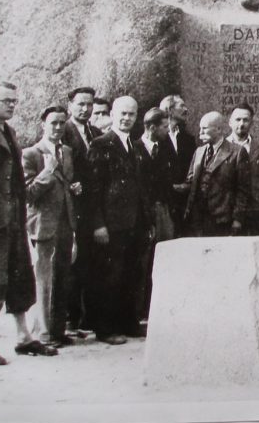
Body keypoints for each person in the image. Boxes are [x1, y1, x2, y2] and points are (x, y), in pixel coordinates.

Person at [0, 81, 55, 364]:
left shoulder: (9, 131)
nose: (11, 105)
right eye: (6, 100)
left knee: (21, 277)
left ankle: (23, 337)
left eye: (14, 101)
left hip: (13, 220)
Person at [86, 96, 152, 344]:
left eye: (131, 115)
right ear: (112, 114)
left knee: (131, 274)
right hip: (110, 224)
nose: (126, 119)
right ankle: (106, 328)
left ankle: (128, 323)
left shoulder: (135, 146)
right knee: (109, 276)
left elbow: (141, 188)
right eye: (122, 114)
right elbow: (94, 190)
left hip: (133, 223)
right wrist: (98, 224)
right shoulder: (101, 144)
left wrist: (145, 222)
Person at [23, 105, 81, 347]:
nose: (58, 128)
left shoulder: (66, 151)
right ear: (43, 125)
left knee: (62, 277)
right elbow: (28, 193)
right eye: (53, 123)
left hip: (65, 224)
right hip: (43, 225)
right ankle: (43, 334)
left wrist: (75, 189)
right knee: (44, 280)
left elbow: (66, 185)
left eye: (61, 123)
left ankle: (58, 331)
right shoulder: (31, 153)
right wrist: (47, 171)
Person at [61, 86, 97, 336]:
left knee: (88, 263)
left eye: (89, 104)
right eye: (80, 104)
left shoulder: (94, 132)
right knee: (71, 265)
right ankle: (69, 319)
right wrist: (69, 183)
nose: (85, 109)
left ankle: (84, 318)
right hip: (71, 205)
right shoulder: (63, 130)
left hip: (91, 206)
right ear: (70, 105)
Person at [134, 107, 176, 319]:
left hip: (163, 211)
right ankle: (140, 309)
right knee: (143, 262)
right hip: (144, 214)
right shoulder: (135, 150)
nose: (167, 131)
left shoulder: (165, 148)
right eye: (164, 127)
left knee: (163, 259)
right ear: (152, 127)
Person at [184, 111, 250, 237]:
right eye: (200, 128)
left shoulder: (237, 152)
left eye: (204, 128)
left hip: (223, 220)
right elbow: (190, 182)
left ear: (219, 129)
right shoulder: (199, 151)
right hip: (198, 220)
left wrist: (237, 220)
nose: (200, 133)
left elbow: (243, 190)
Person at [227, 103, 259, 237]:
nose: (241, 124)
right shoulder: (223, 148)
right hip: (230, 210)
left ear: (251, 122)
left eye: (245, 120)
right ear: (230, 122)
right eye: (237, 119)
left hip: (255, 210)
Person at [159, 94, 196, 238]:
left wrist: (186, 185)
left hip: (183, 202)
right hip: (164, 201)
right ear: (169, 110)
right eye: (182, 106)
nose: (186, 109)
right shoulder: (157, 137)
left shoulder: (188, 139)